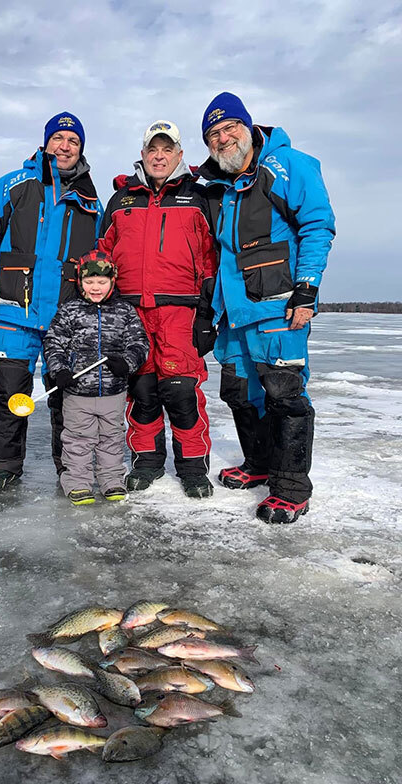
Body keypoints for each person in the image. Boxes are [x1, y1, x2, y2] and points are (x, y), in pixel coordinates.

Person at [197, 92, 335, 523]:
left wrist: (307, 288)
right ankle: (258, 464)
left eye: (229, 128)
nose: (223, 138)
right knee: (239, 393)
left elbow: (317, 224)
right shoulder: (221, 187)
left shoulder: (289, 165)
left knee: (284, 392)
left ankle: (291, 486)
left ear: (249, 127)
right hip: (234, 314)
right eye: (213, 134)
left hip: (278, 307)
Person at [0, 112, 103, 492]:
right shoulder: (15, 184)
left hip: (66, 317)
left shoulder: (91, 200)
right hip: (15, 310)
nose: (65, 146)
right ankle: (4, 465)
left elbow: (101, 257)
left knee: (68, 399)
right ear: (46, 143)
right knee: (11, 392)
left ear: (81, 149)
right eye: (59, 138)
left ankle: (71, 469)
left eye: (73, 141)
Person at [98, 120, 218, 499]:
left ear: (180, 155)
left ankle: (193, 466)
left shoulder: (198, 197)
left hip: (179, 312)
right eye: (153, 150)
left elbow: (210, 260)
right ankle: (147, 461)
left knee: (182, 392)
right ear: (143, 154)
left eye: (167, 150)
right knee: (143, 391)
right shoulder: (121, 200)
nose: (160, 156)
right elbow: (102, 255)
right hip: (131, 311)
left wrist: (206, 313)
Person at [43, 251, 149, 505]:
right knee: (78, 439)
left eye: (101, 282)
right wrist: (60, 371)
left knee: (111, 439)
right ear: (80, 282)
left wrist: (126, 363)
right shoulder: (69, 311)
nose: (95, 288)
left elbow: (139, 343)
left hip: (113, 391)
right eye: (90, 282)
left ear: (112, 281)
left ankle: (111, 480)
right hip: (78, 391)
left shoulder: (124, 312)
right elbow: (53, 343)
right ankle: (78, 482)